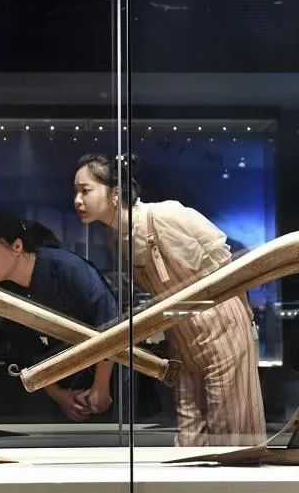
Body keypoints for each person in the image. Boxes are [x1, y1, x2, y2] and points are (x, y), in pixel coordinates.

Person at [72, 154, 266, 446]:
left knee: (231, 435)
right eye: (76, 191)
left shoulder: (164, 216)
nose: (77, 200)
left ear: (115, 194)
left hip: (222, 333)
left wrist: (246, 318)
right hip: (182, 341)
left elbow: (225, 263)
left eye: (85, 190)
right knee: (190, 439)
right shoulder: (118, 238)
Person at [0, 212, 120, 421]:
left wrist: (101, 385)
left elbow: (110, 321)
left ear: (17, 246)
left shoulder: (67, 268)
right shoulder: (5, 291)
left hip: (112, 373)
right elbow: (24, 350)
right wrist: (59, 395)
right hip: (59, 385)